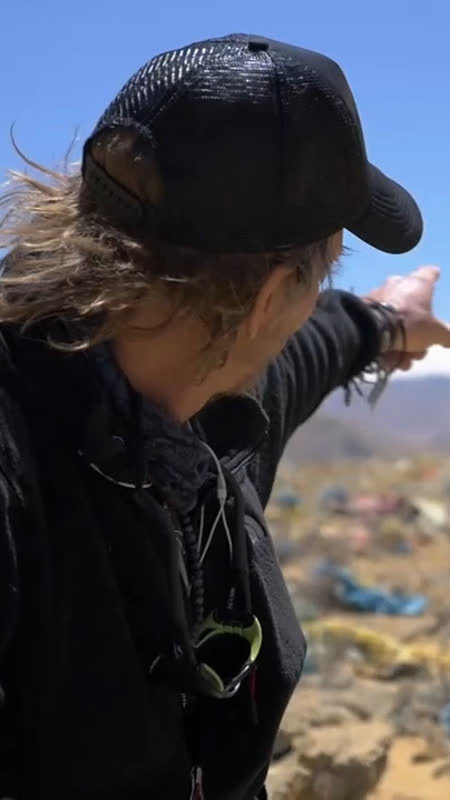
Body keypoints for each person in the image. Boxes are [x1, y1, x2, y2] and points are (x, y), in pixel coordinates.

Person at [0, 32, 448, 800]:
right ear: (271, 299)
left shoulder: (206, 399)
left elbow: (323, 340)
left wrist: (388, 322)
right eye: (323, 271)